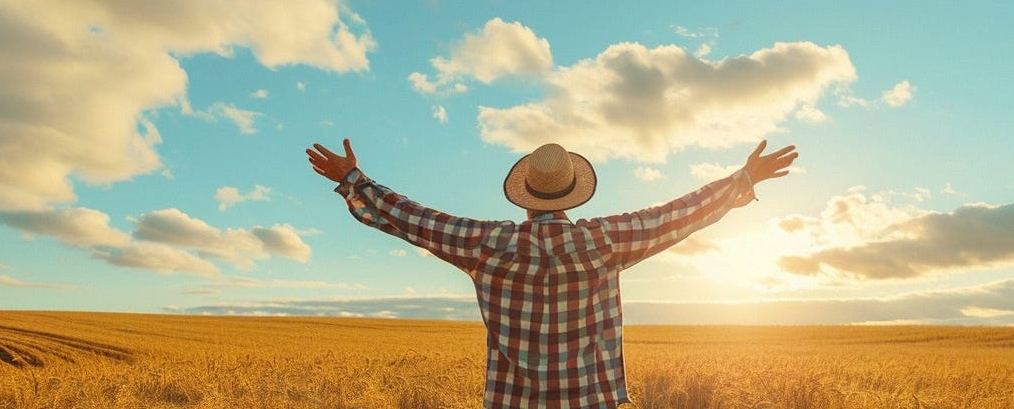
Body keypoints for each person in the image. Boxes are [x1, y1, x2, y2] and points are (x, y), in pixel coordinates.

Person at [307, 138, 797, 409]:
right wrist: (742, 180)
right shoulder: (603, 241)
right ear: (572, 192)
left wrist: (356, 181)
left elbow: (418, 220)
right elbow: (676, 215)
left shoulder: (487, 245)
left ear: (525, 198)